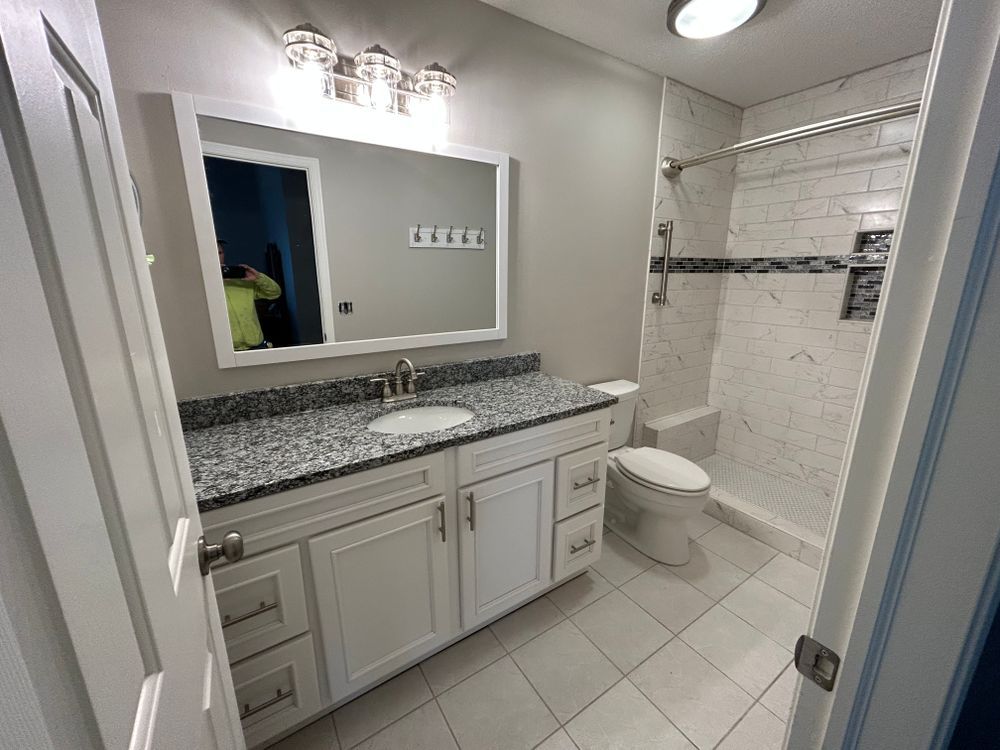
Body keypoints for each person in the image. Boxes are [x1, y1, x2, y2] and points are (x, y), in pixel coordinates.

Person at [217, 239, 282, 350]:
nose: (218, 256)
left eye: (220, 252)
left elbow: (275, 292)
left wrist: (258, 278)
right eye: (213, 252)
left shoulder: (241, 281)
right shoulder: (204, 288)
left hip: (257, 345)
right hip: (226, 350)